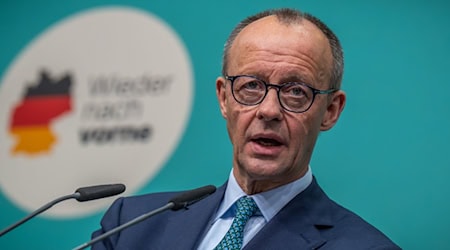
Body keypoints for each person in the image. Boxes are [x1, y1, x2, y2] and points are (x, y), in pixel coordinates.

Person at [91, 8, 401, 249]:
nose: (268, 110)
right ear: (224, 98)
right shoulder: (130, 226)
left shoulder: (365, 247)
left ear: (330, 111)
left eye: (296, 92)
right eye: (251, 86)